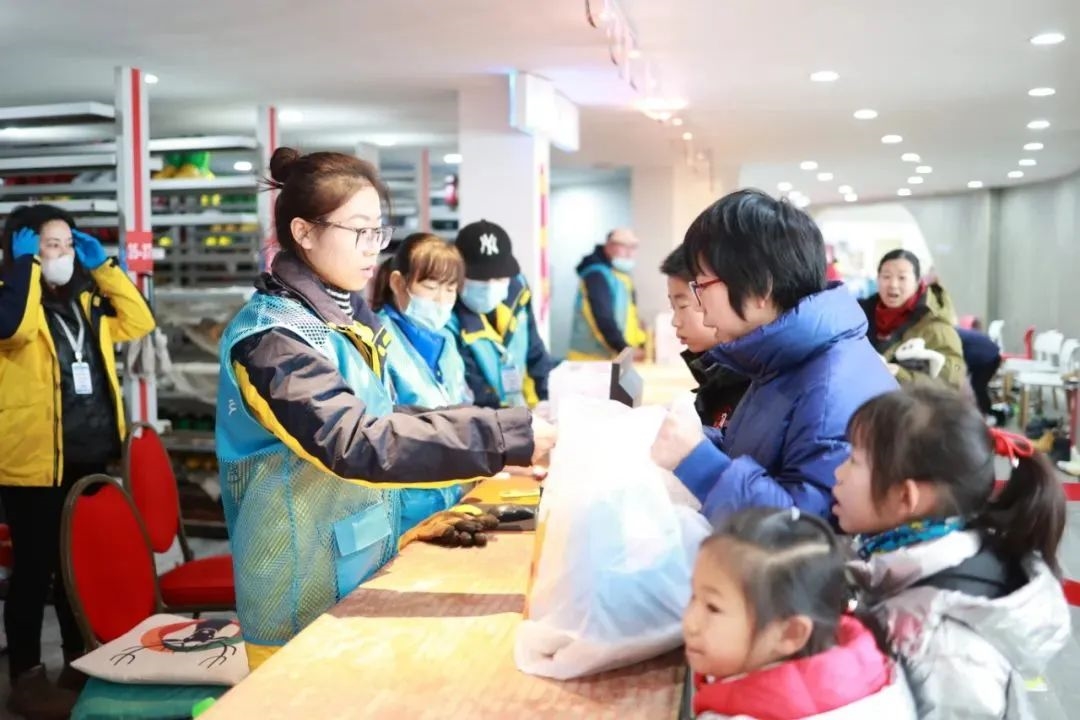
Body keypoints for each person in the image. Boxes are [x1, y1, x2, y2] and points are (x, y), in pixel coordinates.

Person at [215, 149, 556, 668]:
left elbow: (393, 417)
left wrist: (507, 431)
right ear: (304, 232)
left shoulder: (347, 324)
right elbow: (357, 442)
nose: (373, 248)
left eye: (378, 231)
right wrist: (505, 438)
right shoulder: (272, 340)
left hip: (363, 569)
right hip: (298, 593)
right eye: (359, 231)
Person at [651, 189, 896, 523]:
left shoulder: (829, 388)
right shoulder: (781, 359)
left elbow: (808, 530)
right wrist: (696, 439)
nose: (699, 302)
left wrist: (699, 462)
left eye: (702, 285)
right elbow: (760, 453)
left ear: (760, 288)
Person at [0, 204, 155, 717]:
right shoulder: (11, 297)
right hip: (35, 462)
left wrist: (105, 267)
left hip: (89, 456)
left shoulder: (86, 299)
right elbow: (14, 331)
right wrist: (24, 270)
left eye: (68, 245)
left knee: (77, 569)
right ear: (22, 249)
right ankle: (26, 678)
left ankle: (79, 661)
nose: (62, 255)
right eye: (50, 245)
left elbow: (139, 321)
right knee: (35, 570)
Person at [833, 385, 1070, 718]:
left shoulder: (947, 650)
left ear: (906, 497)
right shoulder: (893, 556)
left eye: (854, 461)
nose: (838, 473)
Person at [685, 507, 915, 719]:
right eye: (693, 596)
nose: (689, 623)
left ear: (791, 634)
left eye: (713, 608)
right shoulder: (871, 669)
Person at [371, 232, 474, 531]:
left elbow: (462, 408)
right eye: (430, 287)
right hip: (399, 510)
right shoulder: (377, 342)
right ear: (398, 283)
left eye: (450, 289)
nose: (441, 300)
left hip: (449, 497)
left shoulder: (446, 342)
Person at [448, 219, 554, 409]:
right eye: (479, 278)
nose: (490, 285)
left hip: (524, 408)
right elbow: (473, 387)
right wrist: (509, 419)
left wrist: (546, 397)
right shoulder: (445, 318)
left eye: (498, 277)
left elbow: (535, 351)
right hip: (486, 417)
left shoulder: (518, 292)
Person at [660, 245, 749, 430]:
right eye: (673, 308)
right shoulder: (719, 373)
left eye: (682, 306)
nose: (675, 322)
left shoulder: (750, 379)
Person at [859, 250, 966, 389]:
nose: (893, 284)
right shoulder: (858, 316)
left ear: (917, 282)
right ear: (877, 279)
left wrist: (899, 374)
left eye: (902, 278)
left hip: (912, 402)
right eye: (886, 277)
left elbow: (952, 380)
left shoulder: (935, 324)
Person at [567, 228, 648, 360]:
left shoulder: (621, 276)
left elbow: (631, 318)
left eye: (633, 247)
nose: (629, 253)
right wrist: (625, 350)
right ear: (609, 247)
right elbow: (602, 318)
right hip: (592, 360)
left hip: (616, 357)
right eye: (623, 246)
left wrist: (642, 342)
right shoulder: (596, 275)